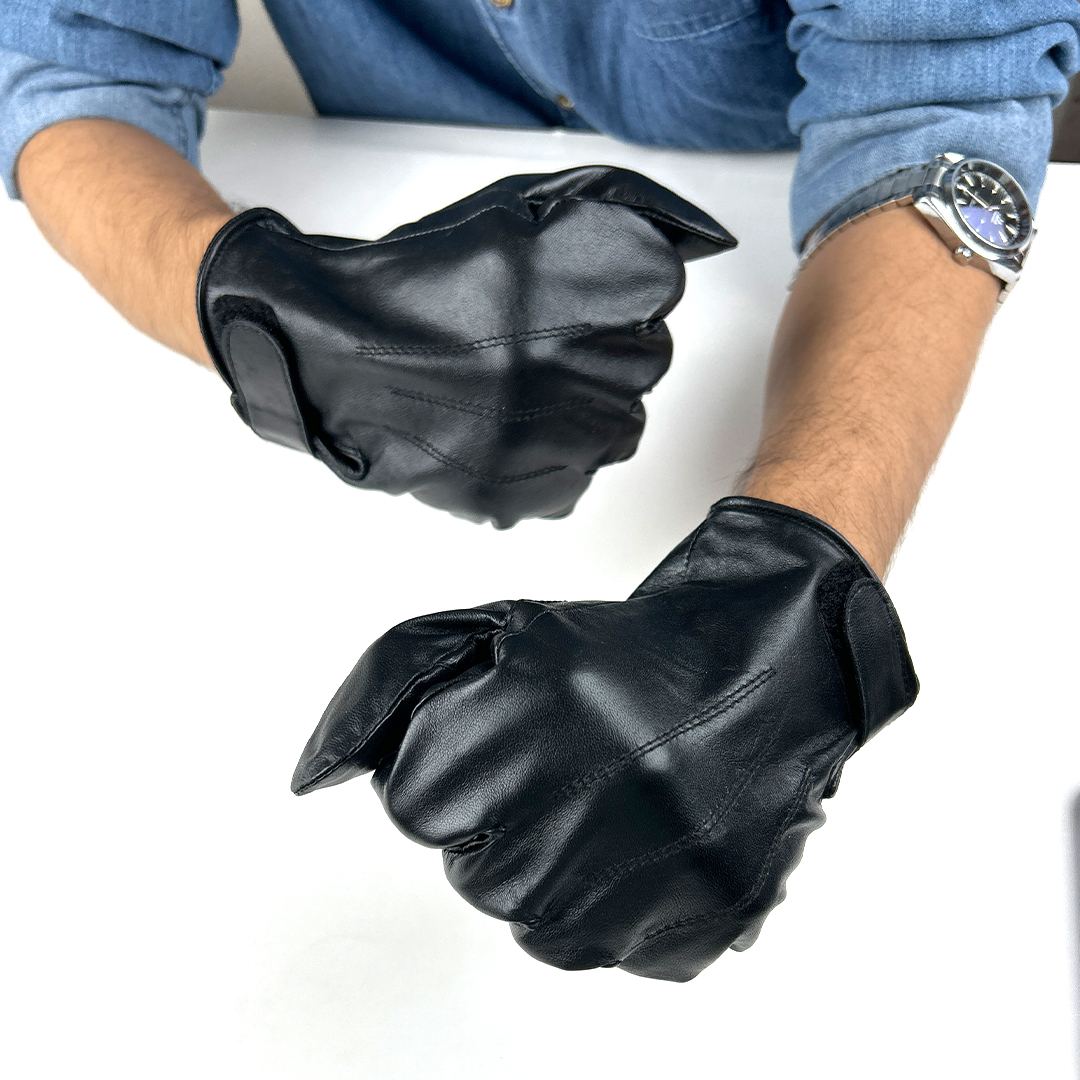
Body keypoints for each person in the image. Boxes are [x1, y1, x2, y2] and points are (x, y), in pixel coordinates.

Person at [3, 2, 1077, 980]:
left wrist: (787, 598)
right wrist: (278, 317)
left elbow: (933, 104)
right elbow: (71, 71)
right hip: (378, 208)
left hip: (825, 281)